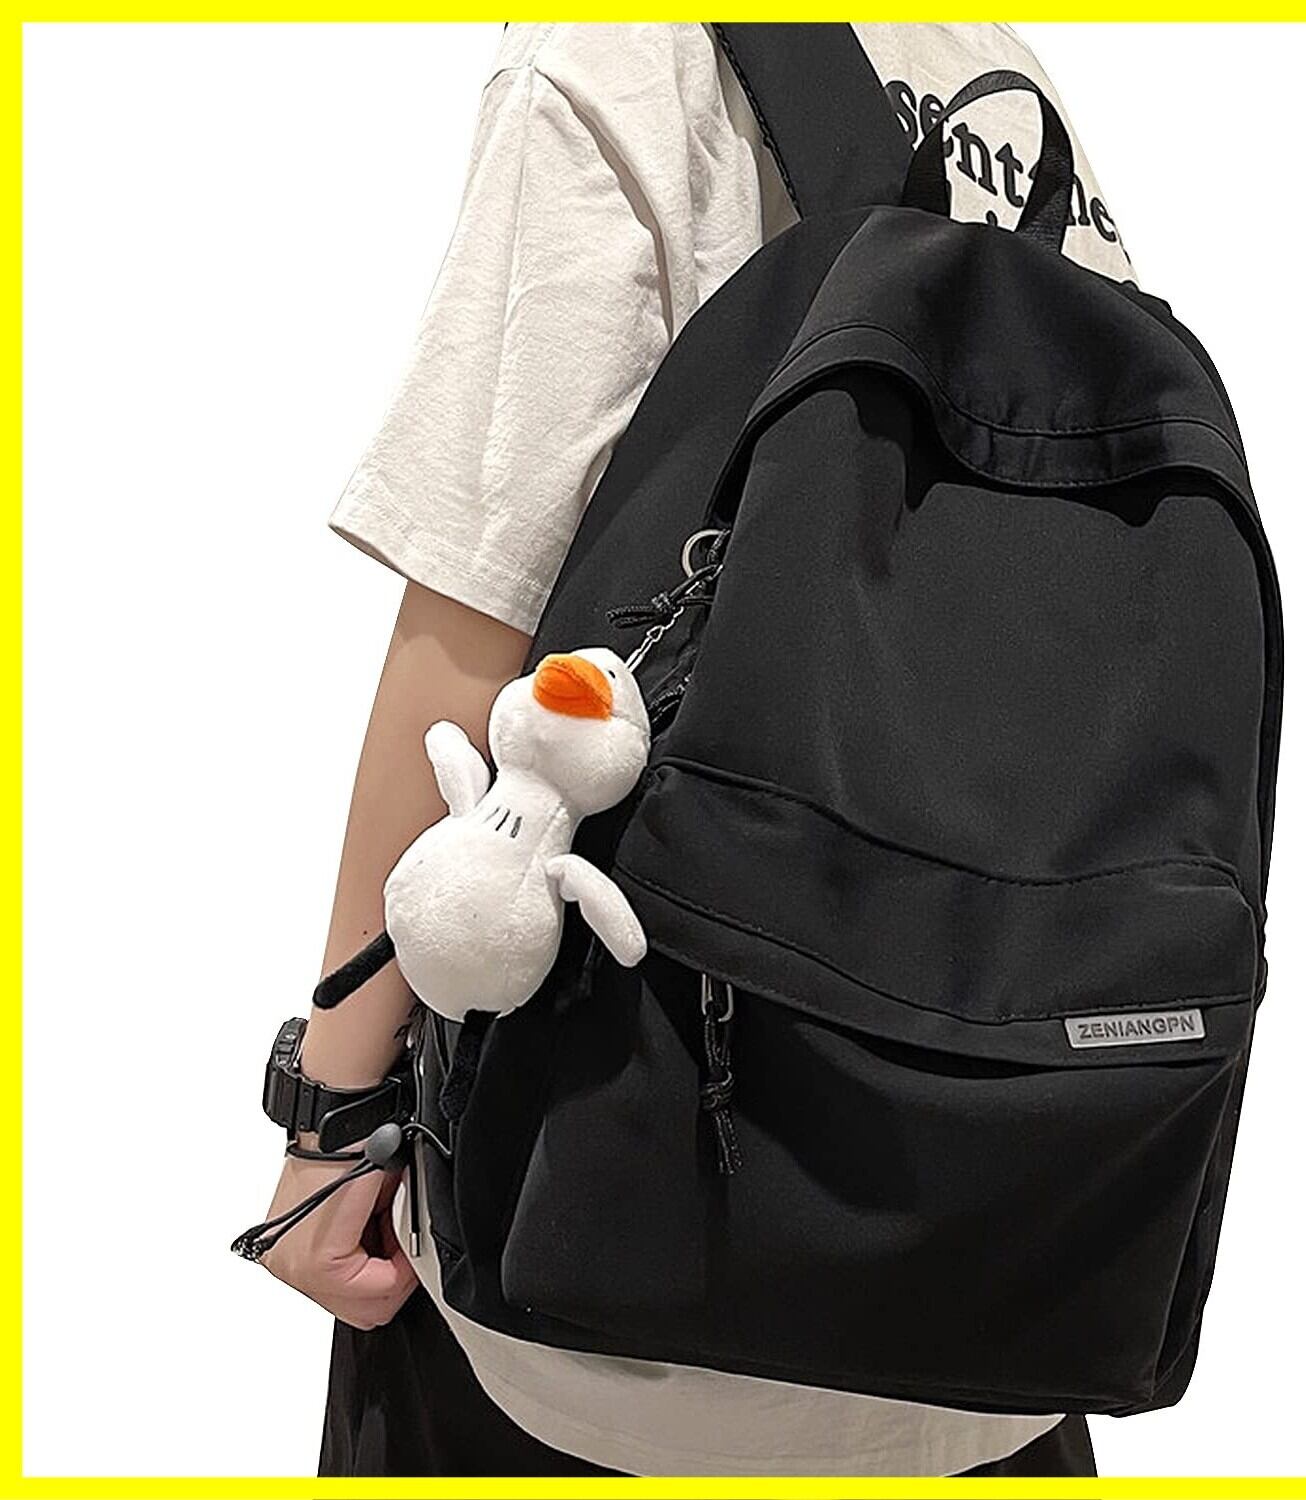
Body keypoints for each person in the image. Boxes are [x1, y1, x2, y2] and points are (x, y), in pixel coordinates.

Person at [255, 22, 1134, 1477]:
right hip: (1003, 1290)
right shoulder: (998, 77)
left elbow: (474, 630)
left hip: (610, 1316)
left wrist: (332, 1111)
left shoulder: (624, 55)